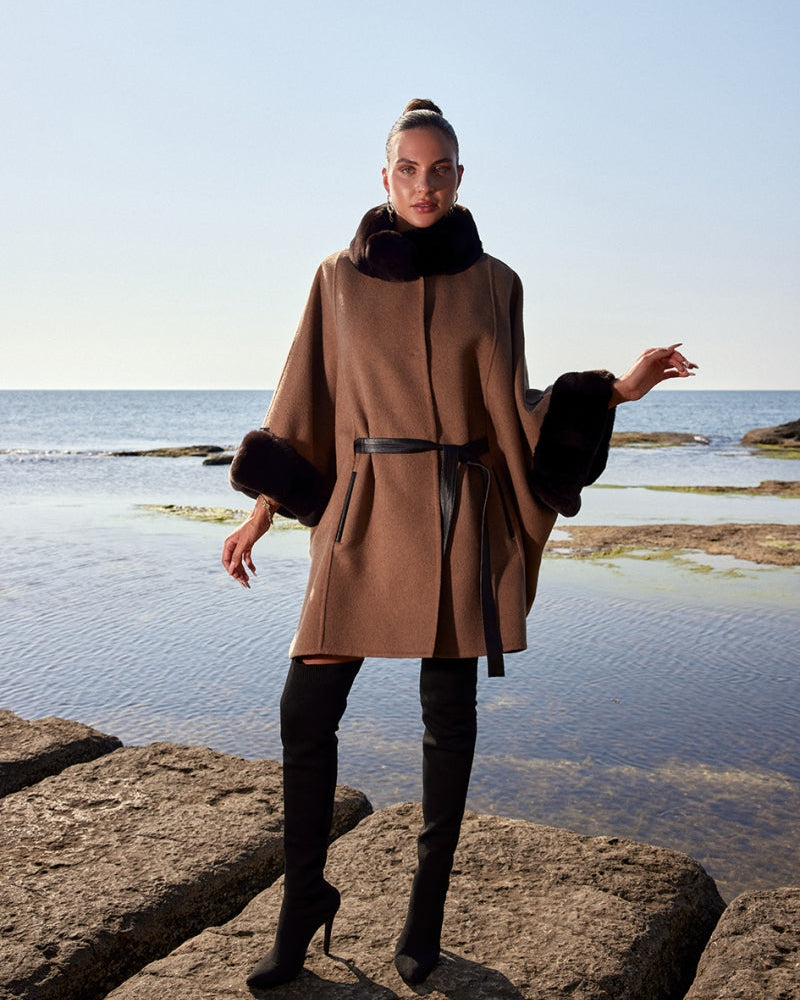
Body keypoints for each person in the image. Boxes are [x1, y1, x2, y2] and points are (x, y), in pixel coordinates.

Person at [222, 99, 696, 990]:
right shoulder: (335, 278)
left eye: (440, 169)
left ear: (460, 177)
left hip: (455, 519)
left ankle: (425, 917)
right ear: (386, 176)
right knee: (303, 712)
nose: (425, 184)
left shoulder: (496, 284)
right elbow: (303, 402)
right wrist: (259, 512)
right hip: (361, 516)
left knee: (448, 721)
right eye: (409, 168)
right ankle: (302, 902)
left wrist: (619, 391)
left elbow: (519, 411)